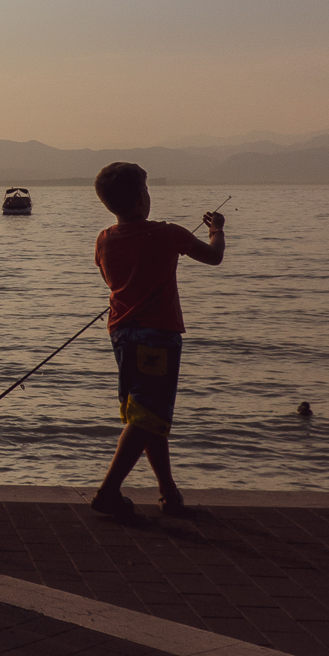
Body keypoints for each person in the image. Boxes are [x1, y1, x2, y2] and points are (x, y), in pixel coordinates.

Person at [89, 161, 225, 519]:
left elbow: (109, 277)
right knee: (147, 415)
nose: (149, 198)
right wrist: (217, 231)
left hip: (121, 334)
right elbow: (214, 257)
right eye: (147, 192)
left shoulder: (104, 239)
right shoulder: (168, 234)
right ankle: (108, 491)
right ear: (138, 202)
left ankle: (168, 492)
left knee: (147, 413)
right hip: (158, 337)